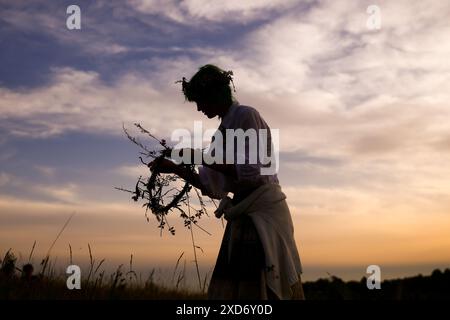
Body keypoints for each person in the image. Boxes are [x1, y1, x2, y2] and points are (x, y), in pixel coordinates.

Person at [150, 64, 304, 300]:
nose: (199, 108)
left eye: (201, 100)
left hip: (263, 214)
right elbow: (211, 186)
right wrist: (174, 169)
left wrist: (196, 156)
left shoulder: (246, 116)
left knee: (261, 288)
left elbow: (251, 172)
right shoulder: (221, 134)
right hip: (242, 213)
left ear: (215, 95)